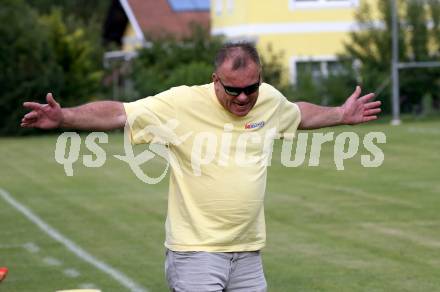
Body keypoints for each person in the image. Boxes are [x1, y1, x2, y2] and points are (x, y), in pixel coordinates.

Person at [21, 43, 381, 291]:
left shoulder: (268, 101)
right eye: (233, 90)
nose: (243, 98)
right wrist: (66, 116)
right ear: (215, 80)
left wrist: (340, 114)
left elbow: (298, 113)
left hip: (248, 252)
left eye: (250, 89)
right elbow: (119, 112)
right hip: (196, 252)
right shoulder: (180, 103)